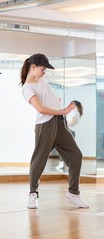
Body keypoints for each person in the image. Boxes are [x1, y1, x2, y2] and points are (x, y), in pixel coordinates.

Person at [20, 53, 88, 209]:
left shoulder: (43, 82)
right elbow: (41, 109)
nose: (44, 72)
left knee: (76, 155)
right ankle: (32, 194)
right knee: (39, 160)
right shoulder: (27, 87)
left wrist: (59, 107)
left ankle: (73, 193)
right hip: (45, 125)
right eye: (43, 69)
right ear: (33, 67)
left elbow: (49, 102)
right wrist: (63, 111)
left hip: (60, 124)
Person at [55, 100, 83, 170]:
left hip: (68, 130)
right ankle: (70, 163)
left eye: (72, 104)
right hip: (72, 131)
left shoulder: (73, 112)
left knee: (61, 148)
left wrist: (66, 125)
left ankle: (62, 163)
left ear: (75, 105)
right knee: (69, 149)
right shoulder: (78, 113)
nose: (70, 105)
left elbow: (73, 121)